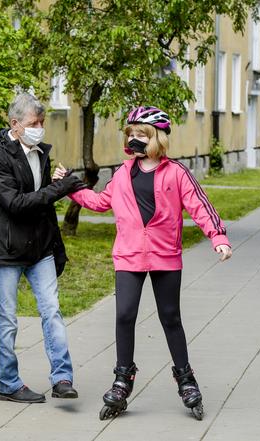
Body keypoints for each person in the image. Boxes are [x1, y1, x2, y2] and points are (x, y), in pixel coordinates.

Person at [53, 106, 233, 420]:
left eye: (141, 135)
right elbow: (99, 202)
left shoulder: (175, 172)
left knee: (170, 317)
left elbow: (199, 205)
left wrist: (218, 236)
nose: (134, 139)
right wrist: (71, 184)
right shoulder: (123, 173)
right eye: (131, 134)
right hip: (129, 254)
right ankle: (123, 380)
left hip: (165, 255)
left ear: (157, 138)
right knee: (124, 315)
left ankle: (186, 380)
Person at [0, 92, 86, 404]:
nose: (39, 127)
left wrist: (56, 181)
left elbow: (38, 197)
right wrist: (58, 189)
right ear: (15, 125)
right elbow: (15, 203)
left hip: (40, 247)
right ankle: (8, 384)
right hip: (9, 249)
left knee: (51, 310)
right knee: (7, 318)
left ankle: (62, 378)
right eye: (33, 122)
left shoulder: (39, 153)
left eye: (41, 122)